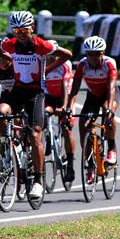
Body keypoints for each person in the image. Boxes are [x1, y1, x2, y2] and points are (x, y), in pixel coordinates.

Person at [0, 10, 73, 199]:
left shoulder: (41, 45)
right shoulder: (10, 44)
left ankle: (39, 181)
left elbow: (67, 55)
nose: (20, 34)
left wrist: (46, 69)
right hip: (17, 90)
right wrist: (9, 61)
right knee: (1, 114)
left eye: (24, 31)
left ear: (32, 28)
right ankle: (5, 148)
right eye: (16, 31)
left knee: (34, 135)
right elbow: (0, 51)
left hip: (36, 93)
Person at [69, 36, 118, 184]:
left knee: (107, 113)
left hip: (108, 95)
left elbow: (111, 87)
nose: (93, 57)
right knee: (83, 124)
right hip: (92, 96)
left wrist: (109, 108)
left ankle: (111, 148)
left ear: (103, 53)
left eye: (97, 54)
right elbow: (75, 89)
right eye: (90, 54)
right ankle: (90, 164)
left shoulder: (109, 63)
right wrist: (69, 108)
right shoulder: (83, 65)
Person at [44, 40, 76, 182]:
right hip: (49, 96)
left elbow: (64, 84)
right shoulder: (42, 64)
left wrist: (63, 107)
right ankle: (47, 137)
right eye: (49, 55)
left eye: (54, 55)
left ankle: (70, 163)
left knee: (67, 128)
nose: (52, 58)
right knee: (43, 113)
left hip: (65, 97)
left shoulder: (65, 64)